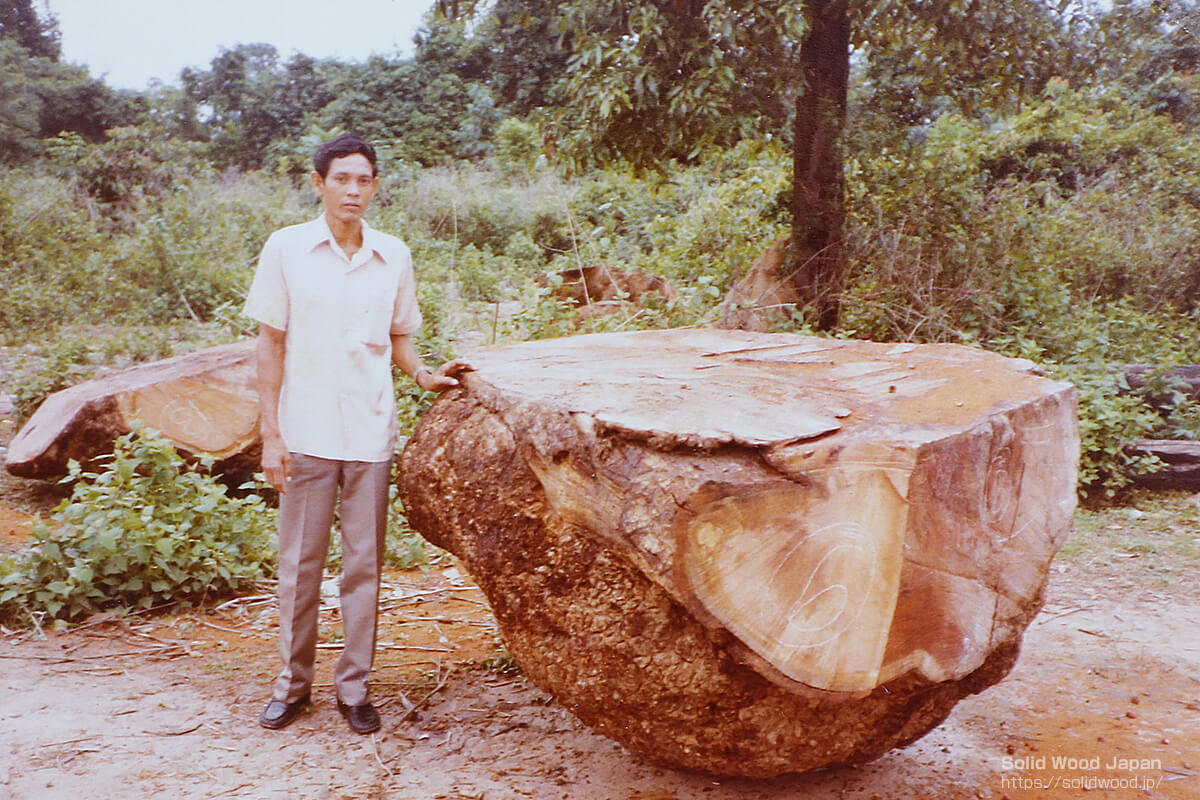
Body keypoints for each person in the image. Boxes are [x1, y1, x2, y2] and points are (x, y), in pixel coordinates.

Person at [245, 133, 468, 734]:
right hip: (307, 431)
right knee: (299, 564)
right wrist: (272, 433)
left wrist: (422, 373)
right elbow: (270, 343)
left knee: (364, 565)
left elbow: (399, 336)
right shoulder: (287, 249)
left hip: (370, 432)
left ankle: (354, 687)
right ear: (318, 183)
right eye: (341, 178)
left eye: (363, 179)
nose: (352, 190)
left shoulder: (392, 254)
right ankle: (292, 687)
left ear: (374, 186)